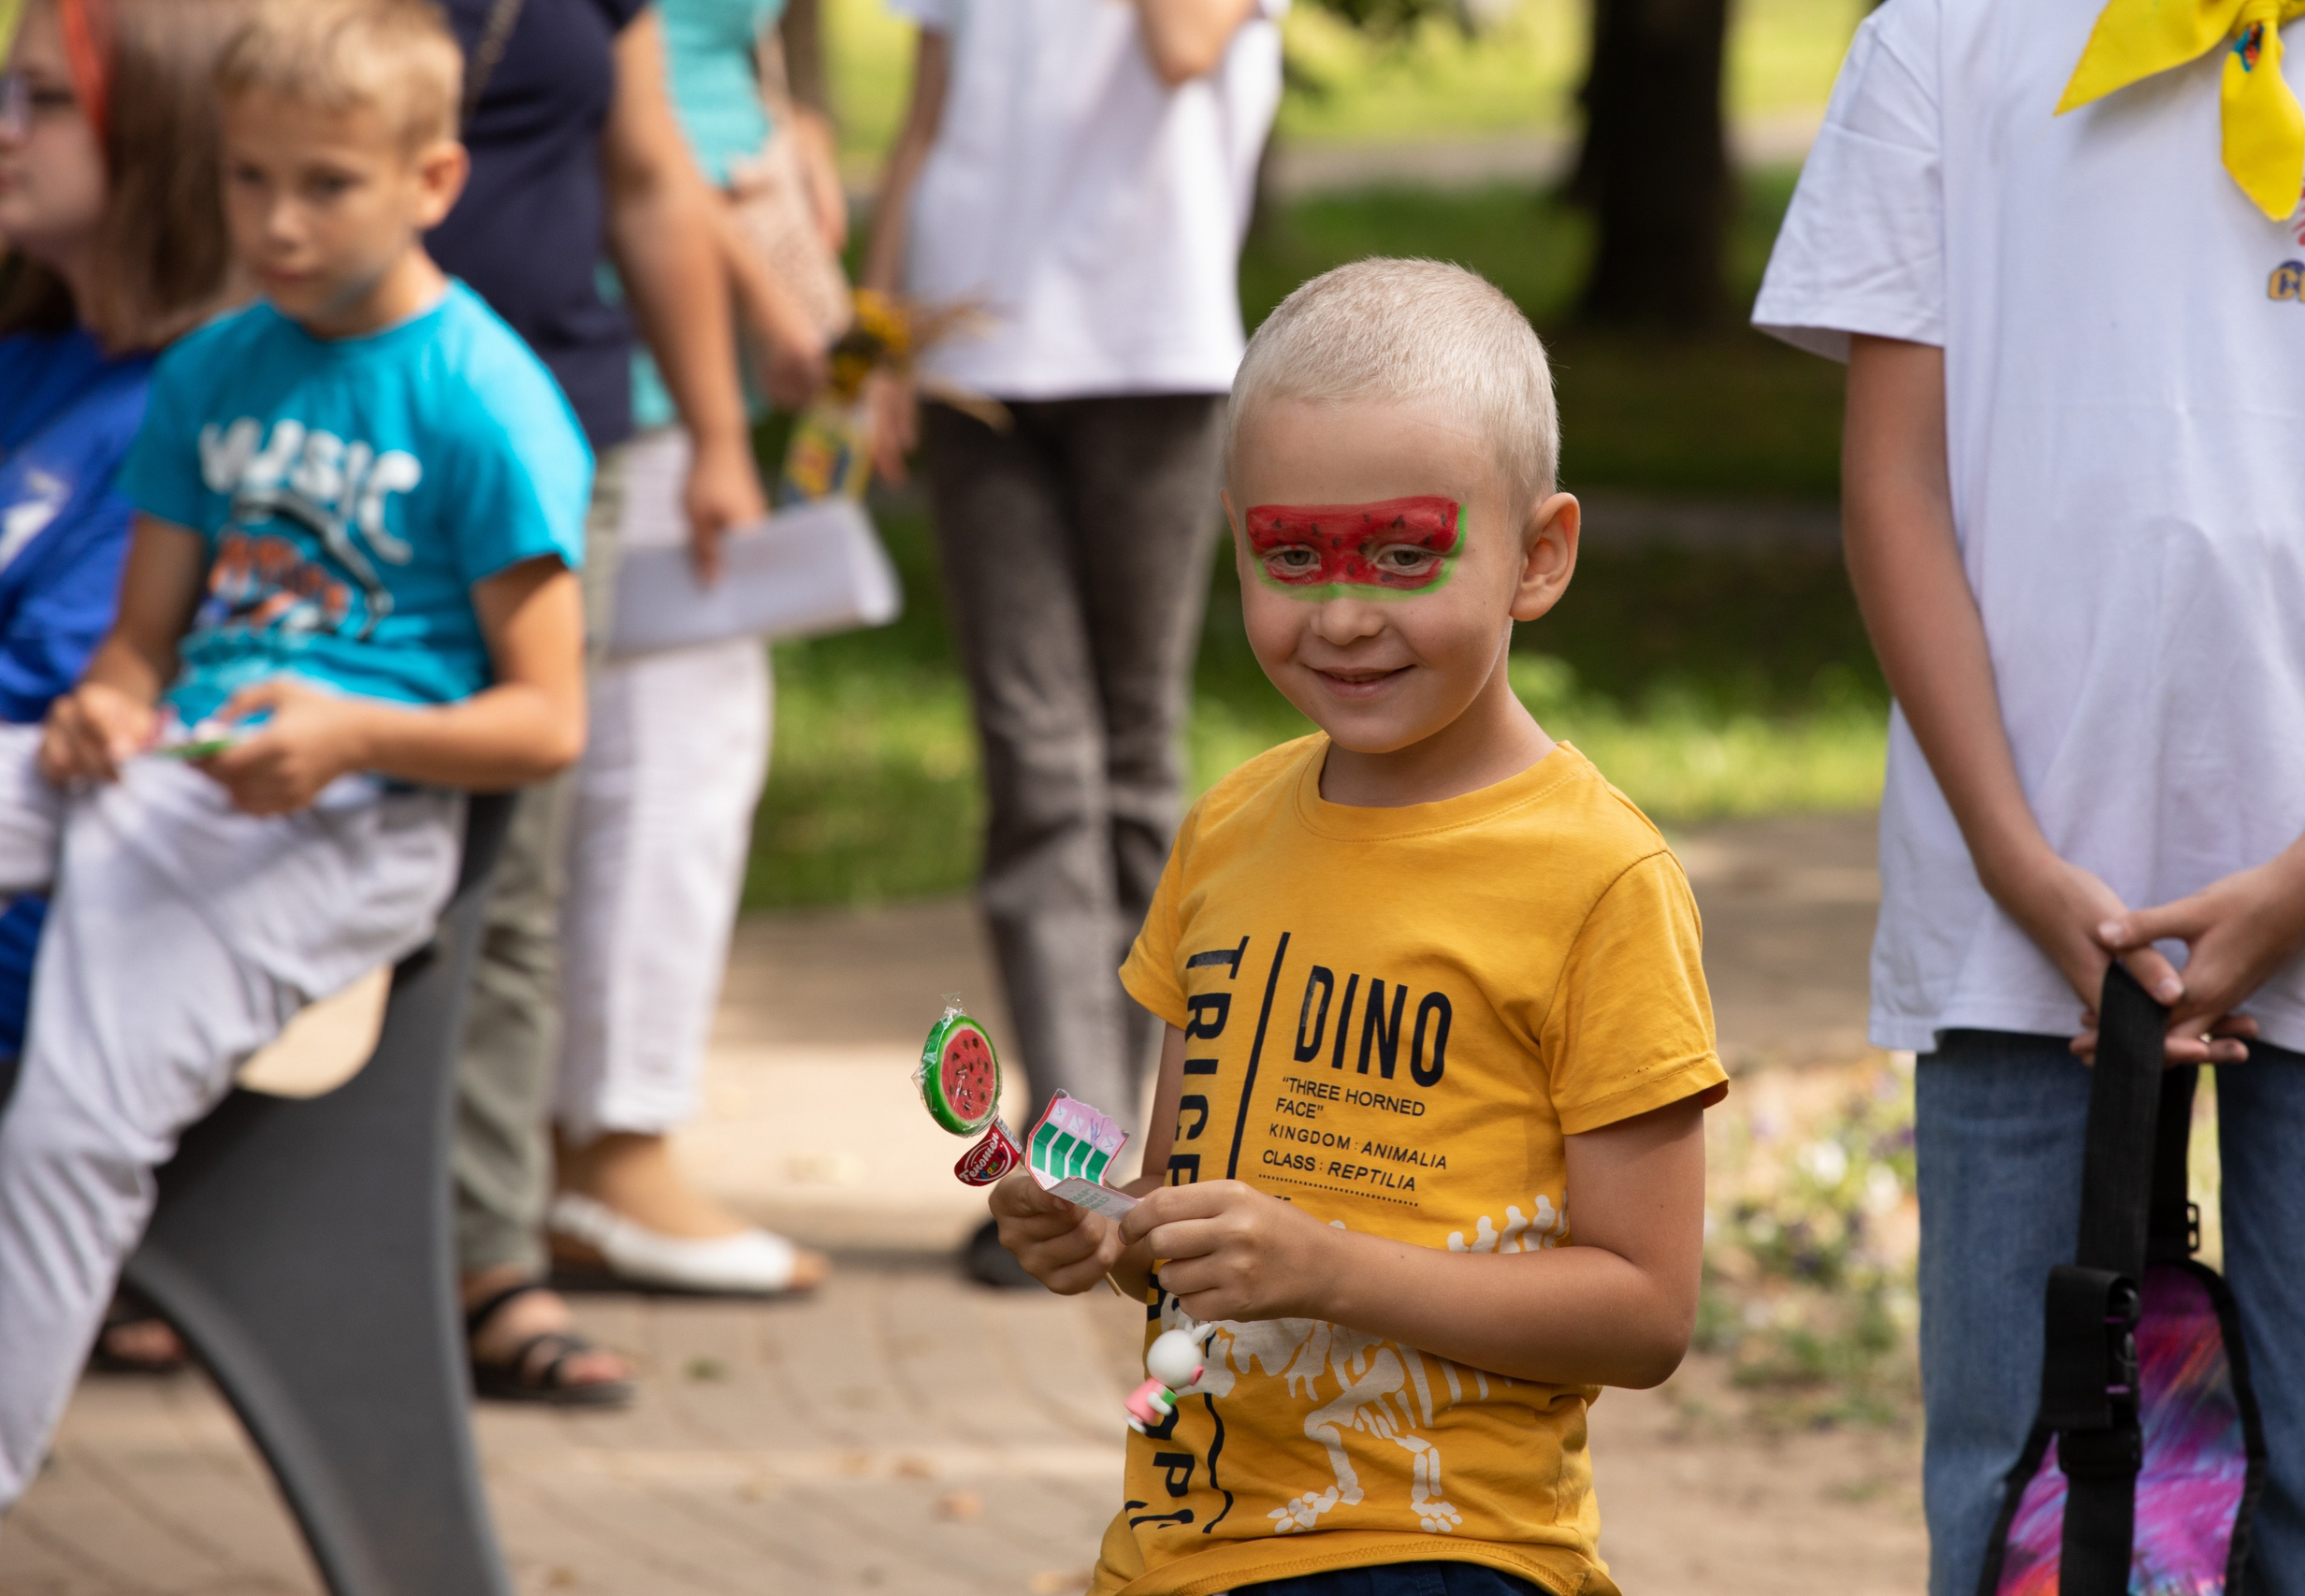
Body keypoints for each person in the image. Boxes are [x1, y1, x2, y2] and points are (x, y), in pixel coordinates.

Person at [1752, 0, 2305, 1588]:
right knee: (2016, 1494)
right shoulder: (1941, 44)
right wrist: (2018, 861)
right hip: (2014, 912)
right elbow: (1891, 483)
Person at [987, 260, 1729, 1596]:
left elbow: (1645, 1307)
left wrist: (1331, 1267)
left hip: (1439, 1552)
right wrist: (1100, 1230)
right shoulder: (1224, 831)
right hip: (1174, 1547)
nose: (1341, 614)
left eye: (1402, 553)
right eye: (1289, 557)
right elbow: (1175, 1202)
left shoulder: (1601, 878)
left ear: (1538, 554)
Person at [0, 0, 591, 1508]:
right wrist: (106, 701)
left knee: (74, 1122)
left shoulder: (489, 402)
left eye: (323, 184)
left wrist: (352, 736)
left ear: (432, 182)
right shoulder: (212, 369)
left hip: (358, 823)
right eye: (247, 177)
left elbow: (548, 722)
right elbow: (142, 639)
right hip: (170, 780)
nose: (273, 219)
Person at [862, 0, 1286, 1285]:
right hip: (972, 358)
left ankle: (1165, 1150)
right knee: (1035, 765)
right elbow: (926, 115)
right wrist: (878, 341)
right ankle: (1075, 1159)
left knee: (1137, 761)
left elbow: (1183, 45)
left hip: (1151, 350)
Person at [426, 0, 767, 1397]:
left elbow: (647, 174)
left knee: (518, 869)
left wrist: (719, 431)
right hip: (349, 420)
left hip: (562, 434)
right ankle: (205, 1242)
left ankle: (488, 1260)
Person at [545, 0, 842, 1298]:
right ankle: (613, 1147)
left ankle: (579, 1140)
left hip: (671, 333)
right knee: (672, 757)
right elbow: (639, 122)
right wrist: (759, 318)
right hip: (642, 346)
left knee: (659, 750)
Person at [0, 0, 248, 1375]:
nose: (3, 130)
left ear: (152, 138)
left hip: (49, 912)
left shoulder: (185, 408)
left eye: (39, 100)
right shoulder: (34, 360)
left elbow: (48, 715)